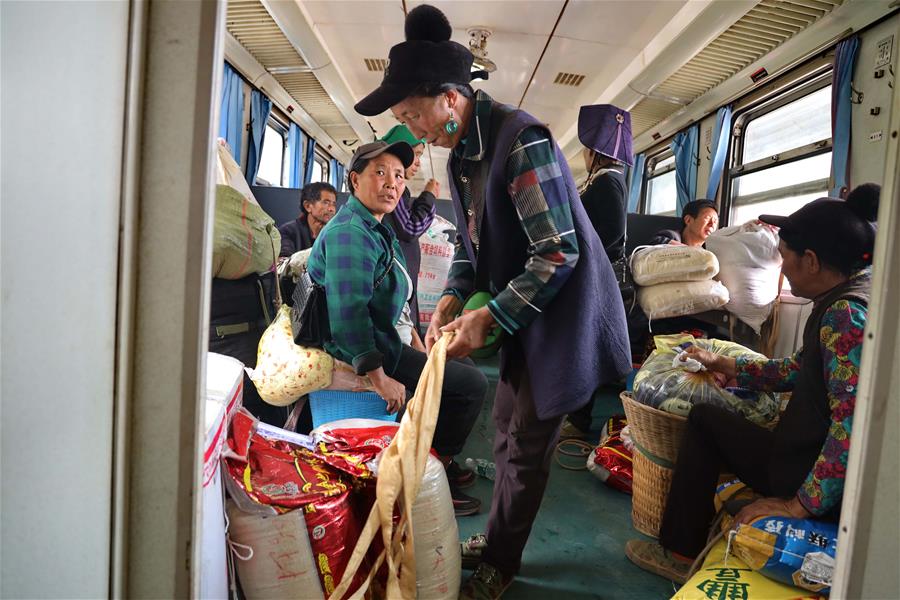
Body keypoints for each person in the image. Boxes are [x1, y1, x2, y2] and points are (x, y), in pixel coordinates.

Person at [354, 5, 631, 597]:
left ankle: (502, 561)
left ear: (450, 98)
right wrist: (453, 297)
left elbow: (558, 253)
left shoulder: (520, 139)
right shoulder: (462, 157)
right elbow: (471, 243)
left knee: (528, 444)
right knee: (504, 428)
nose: (413, 128)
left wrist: (492, 314)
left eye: (414, 114)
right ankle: (503, 535)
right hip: (528, 313)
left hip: (561, 315)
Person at [625, 189, 879, 584]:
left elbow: (852, 428)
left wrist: (798, 506)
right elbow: (794, 370)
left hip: (801, 472)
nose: (784, 268)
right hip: (802, 455)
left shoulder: (844, 316)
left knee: (705, 420)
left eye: (786, 257)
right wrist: (726, 363)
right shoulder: (856, 295)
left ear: (811, 261)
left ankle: (679, 552)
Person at [306, 139, 487, 517]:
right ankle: (431, 472)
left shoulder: (374, 226)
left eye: (400, 176)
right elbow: (349, 314)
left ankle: (433, 457)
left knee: (462, 368)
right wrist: (377, 376)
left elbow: (397, 298)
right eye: (381, 173)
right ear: (355, 180)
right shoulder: (350, 234)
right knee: (471, 386)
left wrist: (419, 338)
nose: (393, 183)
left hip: (390, 336)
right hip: (369, 347)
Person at [560, 104, 633, 439]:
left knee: (582, 348)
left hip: (593, 277)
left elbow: (612, 236)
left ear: (593, 153)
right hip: (591, 273)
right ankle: (574, 414)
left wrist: (585, 261)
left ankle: (578, 421)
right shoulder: (607, 181)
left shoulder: (607, 184)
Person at [380, 124, 441, 331]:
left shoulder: (398, 194)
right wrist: (429, 196)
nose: (417, 163)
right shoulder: (393, 192)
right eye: (415, 154)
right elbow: (411, 228)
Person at [278, 181, 337, 257]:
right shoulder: (287, 231)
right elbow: (285, 262)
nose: (331, 209)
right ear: (308, 206)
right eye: (326, 203)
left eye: (334, 204)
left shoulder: (335, 233)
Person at [649, 199, 718, 247]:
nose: (712, 224)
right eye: (707, 218)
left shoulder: (709, 250)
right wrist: (688, 251)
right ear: (688, 220)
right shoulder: (672, 236)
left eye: (715, 221)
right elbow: (656, 242)